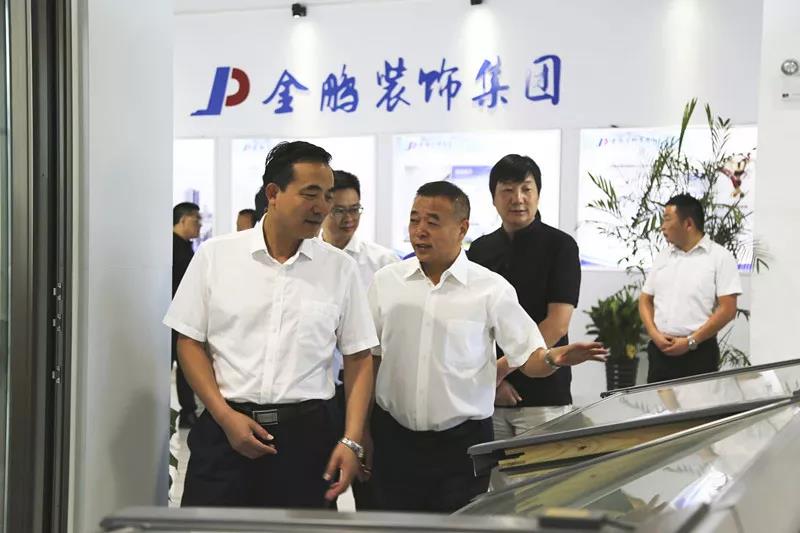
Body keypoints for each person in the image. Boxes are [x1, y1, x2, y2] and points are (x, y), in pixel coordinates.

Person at [367, 181, 606, 513]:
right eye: (414, 220)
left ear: (462, 228)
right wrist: (360, 431)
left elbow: (529, 356)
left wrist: (554, 358)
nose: (419, 231)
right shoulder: (386, 282)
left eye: (432, 222)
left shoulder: (490, 289)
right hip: (394, 440)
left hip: (461, 446)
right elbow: (370, 360)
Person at [163, 141, 377, 508]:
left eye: (327, 196)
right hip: (224, 433)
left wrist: (351, 439)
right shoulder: (217, 256)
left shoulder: (340, 269)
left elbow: (359, 357)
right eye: (310, 194)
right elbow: (189, 341)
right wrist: (225, 416)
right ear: (274, 194)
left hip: (306, 441)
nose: (322, 207)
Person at [468, 154, 581, 440]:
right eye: (507, 190)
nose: (517, 198)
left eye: (526, 189)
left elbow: (557, 324)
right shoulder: (479, 250)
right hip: (488, 399)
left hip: (544, 396)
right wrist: (492, 382)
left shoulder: (561, 246)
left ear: (538, 194)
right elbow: (472, 324)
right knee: (487, 470)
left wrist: (500, 370)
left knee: (543, 470)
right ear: (493, 198)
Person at [320, 169, 398, 510]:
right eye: (339, 210)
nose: (348, 218)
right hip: (320, 395)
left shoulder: (383, 264)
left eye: (355, 209)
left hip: (368, 390)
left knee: (373, 491)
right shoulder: (307, 259)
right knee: (320, 490)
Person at [639, 194, 742, 383]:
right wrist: (654, 334)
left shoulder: (719, 257)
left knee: (699, 403)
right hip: (660, 353)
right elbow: (645, 299)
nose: (662, 227)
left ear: (688, 224)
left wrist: (691, 341)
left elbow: (728, 309)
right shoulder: (664, 256)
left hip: (698, 354)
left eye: (667, 219)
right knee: (658, 403)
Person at [172, 202, 201, 428]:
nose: (199, 225)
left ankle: (188, 411)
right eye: (195, 220)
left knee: (185, 366)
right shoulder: (172, 247)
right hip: (171, 317)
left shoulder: (185, 247)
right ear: (182, 220)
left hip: (180, 315)